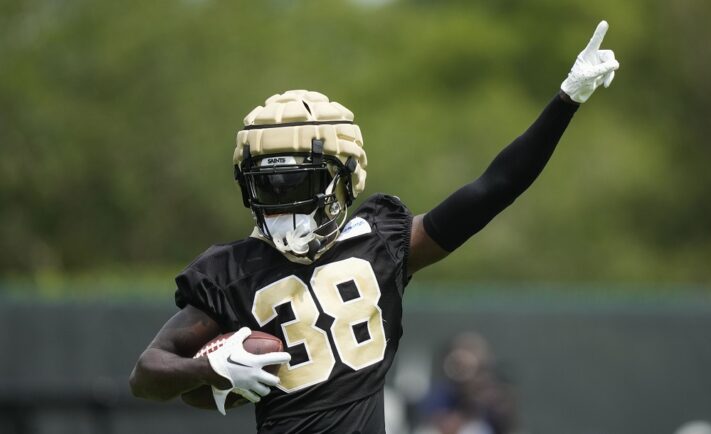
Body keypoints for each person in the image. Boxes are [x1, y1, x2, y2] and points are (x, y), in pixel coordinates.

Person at [129, 21, 619, 434]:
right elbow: (146, 373)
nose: (284, 198)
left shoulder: (379, 241)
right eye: (270, 184)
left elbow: (492, 188)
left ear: (343, 180)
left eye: (298, 181)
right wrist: (206, 367)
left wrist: (565, 99)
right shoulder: (233, 271)